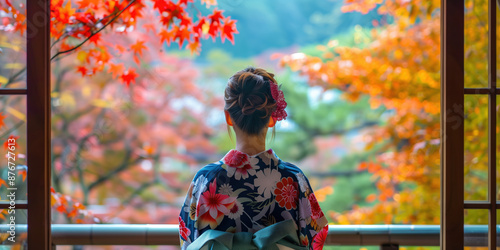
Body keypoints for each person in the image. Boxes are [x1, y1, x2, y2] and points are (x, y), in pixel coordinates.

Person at [178, 67, 328, 250]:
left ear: (228, 118)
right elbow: (314, 239)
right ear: (272, 118)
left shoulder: (204, 179)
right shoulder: (294, 179)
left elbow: (189, 241)